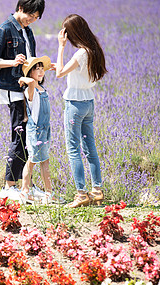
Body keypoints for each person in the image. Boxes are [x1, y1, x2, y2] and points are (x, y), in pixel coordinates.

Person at [0, 0, 46, 200]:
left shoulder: (27, 31)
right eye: (31, 15)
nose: (33, 20)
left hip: (28, 87)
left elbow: (32, 57)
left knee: (30, 137)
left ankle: (26, 184)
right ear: (21, 8)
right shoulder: (3, 30)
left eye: (36, 18)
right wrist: (13, 62)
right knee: (19, 135)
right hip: (14, 88)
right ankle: (9, 185)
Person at [55, 14, 107, 208]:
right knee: (90, 149)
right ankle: (97, 190)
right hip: (89, 103)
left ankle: (81, 194)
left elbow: (60, 73)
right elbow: (70, 71)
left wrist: (60, 47)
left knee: (73, 149)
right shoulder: (94, 50)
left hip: (75, 104)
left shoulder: (79, 53)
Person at [18, 56, 61, 204]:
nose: (41, 71)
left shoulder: (42, 89)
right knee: (32, 160)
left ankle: (49, 193)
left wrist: (45, 69)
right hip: (35, 129)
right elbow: (30, 82)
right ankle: (24, 191)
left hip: (45, 128)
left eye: (42, 69)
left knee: (45, 161)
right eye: (37, 69)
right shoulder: (30, 90)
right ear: (30, 72)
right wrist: (23, 78)